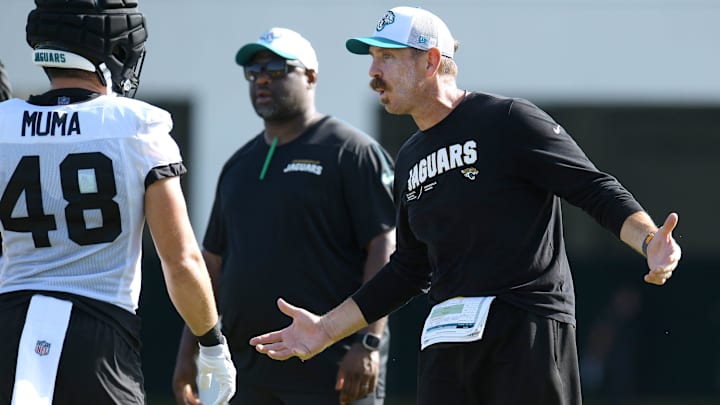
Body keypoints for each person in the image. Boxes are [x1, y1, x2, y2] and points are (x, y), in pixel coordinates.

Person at [249, 6, 682, 405]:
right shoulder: (409, 157)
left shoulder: (509, 120)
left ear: (431, 62)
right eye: (371, 59)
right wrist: (325, 330)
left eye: (386, 58)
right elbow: (408, 269)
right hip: (447, 343)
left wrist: (648, 241)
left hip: (524, 329)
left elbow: (594, 189)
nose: (373, 72)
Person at [0, 1, 236, 404]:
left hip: (10, 329)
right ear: (113, 48)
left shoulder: (5, 123)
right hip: (98, 336)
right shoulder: (137, 126)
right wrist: (211, 344)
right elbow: (180, 261)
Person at [172, 27, 396, 405]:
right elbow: (211, 266)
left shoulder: (351, 152)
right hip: (248, 372)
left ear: (310, 76)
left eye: (276, 70)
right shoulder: (238, 166)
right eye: (253, 72)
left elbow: (385, 248)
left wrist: (367, 341)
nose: (261, 79)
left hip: (333, 369)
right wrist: (189, 353)